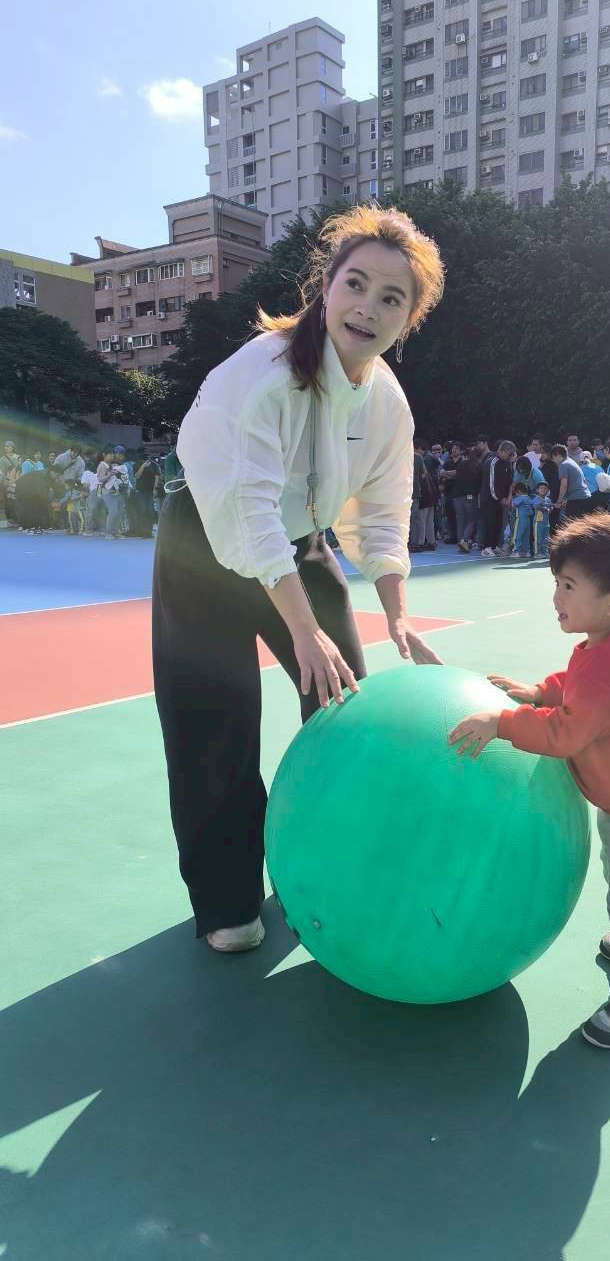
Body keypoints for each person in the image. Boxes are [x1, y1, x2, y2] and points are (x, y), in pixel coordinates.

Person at [152, 204, 445, 952]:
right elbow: (247, 511)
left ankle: (329, 870)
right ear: (326, 285)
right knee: (214, 724)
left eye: (392, 298)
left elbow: (384, 510)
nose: (368, 307)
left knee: (344, 711)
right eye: (356, 284)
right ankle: (226, 904)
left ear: (409, 318)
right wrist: (304, 629)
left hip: (300, 541)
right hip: (207, 544)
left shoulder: (386, 402)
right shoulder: (264, 375)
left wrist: (397, 612)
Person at [447, 512, 610, 1049]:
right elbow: (576, 684)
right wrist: (541, 691)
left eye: (568, 586)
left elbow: (566, 733)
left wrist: (502, 722)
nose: (556, 596)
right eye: (557, 583)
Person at [410, 437, 438, 553]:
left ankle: (418, 542)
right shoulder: (421, 458)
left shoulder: (416, 458)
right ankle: (430, 542)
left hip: (419, 494)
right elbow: (424, 474)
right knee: (428, 520)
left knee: (419, 520)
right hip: (428, 494)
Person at [551, 444, 591, 522]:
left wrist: (559, 501)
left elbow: (564, 485)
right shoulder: (571, 461)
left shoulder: (563, 465)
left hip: (576, 499)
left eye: (553, 458)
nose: (553, 461)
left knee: (571, 525)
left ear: (558, 456)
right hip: (584, 496)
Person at [98, 447, 130, 540]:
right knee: (113, 511)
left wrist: (127, 488)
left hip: (119, 491)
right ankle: (108, 532)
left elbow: (125, 477)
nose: (113, 456)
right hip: (108, 491)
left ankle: (115, 532)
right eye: (111, 454)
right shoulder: (103, 465)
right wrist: (109, 474)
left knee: (119, 512)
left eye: (113, 454)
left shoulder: (119, 464)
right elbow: (100, 479)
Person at [508, 481, 535, 558]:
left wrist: (513, 499)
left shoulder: (519, 498)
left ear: (519, 491)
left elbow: (513, 505)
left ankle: (516, 551)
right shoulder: (529, 498)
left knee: (517, 535)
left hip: (520, 519)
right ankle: (527, 552)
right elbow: (533, 506)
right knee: (526, 535)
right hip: (528, 520)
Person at [532, 481, 553, 557]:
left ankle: (545, 552)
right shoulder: (535, 499)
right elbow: (537, 506)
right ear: (537, 490)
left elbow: (551, 507)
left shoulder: (548, 499)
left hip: (546, 522)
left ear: (548, 490)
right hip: (538, 521)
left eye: (545, 488)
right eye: (541, 488)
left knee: (546, 537)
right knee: (538, 537)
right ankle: (537, 553)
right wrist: (547, 508)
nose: (543, 489)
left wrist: (550, 509)